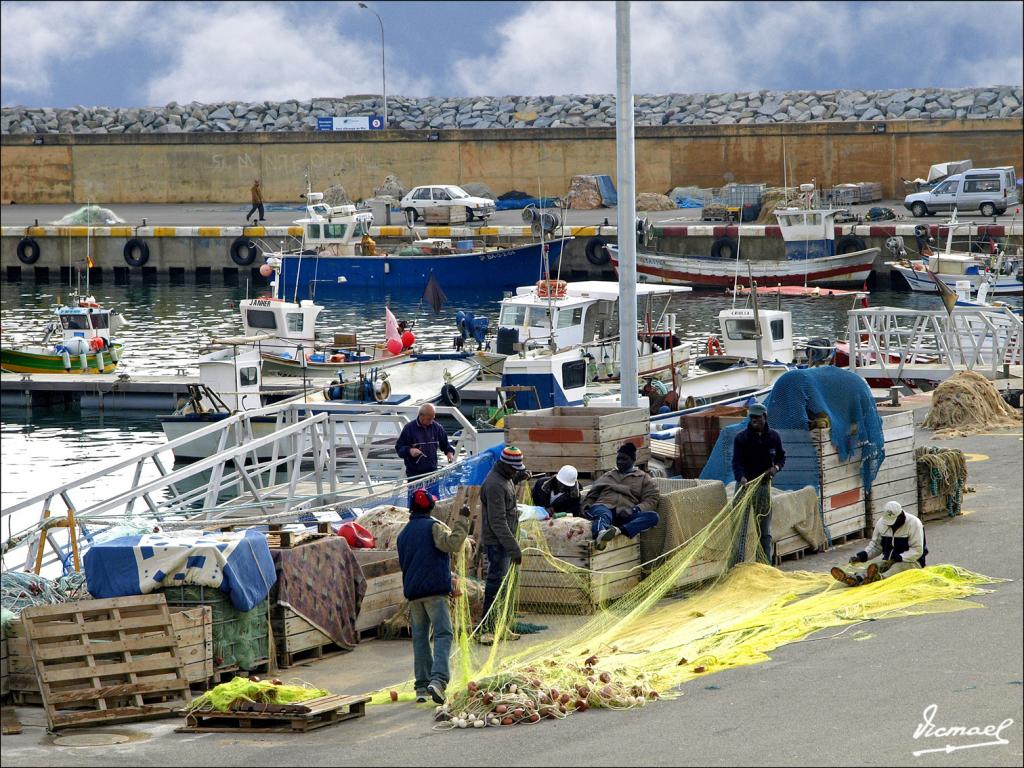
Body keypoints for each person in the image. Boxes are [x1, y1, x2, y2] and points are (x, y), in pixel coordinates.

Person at [396, 489, 471, 704]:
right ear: (430, 507)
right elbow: (452, 544)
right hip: (434, 593)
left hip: (413, 594)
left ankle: (421, 686)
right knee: (443, 634)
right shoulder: (433, 527)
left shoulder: (403, 534)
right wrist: (463, 521)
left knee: (420, 638)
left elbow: (407, 563)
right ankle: (438, 681)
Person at [479, 445, 530, 644]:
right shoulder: (494, 485)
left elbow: (507, 491)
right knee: (495, 586)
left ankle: (501, 626)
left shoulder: (505, 478)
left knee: (506, 587)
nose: (515, 472)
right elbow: (497, 521)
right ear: (504, 465)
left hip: (505, 543)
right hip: (497, 544)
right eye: (513, 470)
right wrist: (513, 548)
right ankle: (487, 629)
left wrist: (517, 479)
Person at [731, 403, 786, 563]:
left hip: (763, 488)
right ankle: (738, 566)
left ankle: (765, 565)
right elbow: (736, 463)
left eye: (758, 417)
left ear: (765, 417)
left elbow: (781, 457)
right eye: (752, 418)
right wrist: (741, 478)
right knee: (740, 530)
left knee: (764, 532)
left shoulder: (774, 437)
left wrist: (775, 468)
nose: (754, 420)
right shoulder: (741, 438)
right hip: (744, 487)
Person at [581, 442, 660, 551]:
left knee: (653, 517)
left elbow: (652, 499)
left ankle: (618, 531)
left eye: (624, 459)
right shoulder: (608, 475)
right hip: (604, 506)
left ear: (633, 460)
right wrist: (586, 506)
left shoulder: (643, 478)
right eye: (618, 459)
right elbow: (592, 495)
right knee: (602, 514)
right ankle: (601, 534)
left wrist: (636, 509)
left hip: (626, 514)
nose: (620, 462)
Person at [831, 501, 928, 587]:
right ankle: (857, 578)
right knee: (875, 566)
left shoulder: (914, 523)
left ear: (899, 516)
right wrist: (863, 555)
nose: (889, 525)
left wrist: (900, 557)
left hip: (912, 562)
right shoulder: (881, 523)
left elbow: (917, 550)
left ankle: (880, 578)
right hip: (888, 560)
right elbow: (876, 545)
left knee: (895, 568)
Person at [394, 404, 455, 483]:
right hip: (415, 474)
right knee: (416, 495)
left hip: (432, 472)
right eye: (429, 419)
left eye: (433, 418)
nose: (431, 422)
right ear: (421, 415)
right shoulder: (409, 428)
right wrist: (410, 450)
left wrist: (449, 452)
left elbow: (445, 444)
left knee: (433, 495)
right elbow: (399, 448)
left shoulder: (437, 427)